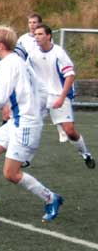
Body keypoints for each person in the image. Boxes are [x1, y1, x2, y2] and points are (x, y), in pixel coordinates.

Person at [0, 26, 64, 221]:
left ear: (0, 45)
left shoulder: (7, 64)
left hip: (26, 124)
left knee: (11, 174)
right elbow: (42, 89)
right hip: (17, 121)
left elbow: (1, 96)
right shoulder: (18, 61)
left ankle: (51, 197)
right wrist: (39, 109)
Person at [28, 24, 94, 168]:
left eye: (40, 34)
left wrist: (62, 98)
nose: (36, 37)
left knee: (69, 131)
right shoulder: (33, 55)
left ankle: (85, 153)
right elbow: (26, 74)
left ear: (48, 36)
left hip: (59, 94)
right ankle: (25, 157)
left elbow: (70, 76)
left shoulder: (59, 53)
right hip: (41, 96)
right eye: (35, 34)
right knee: (31, 125)